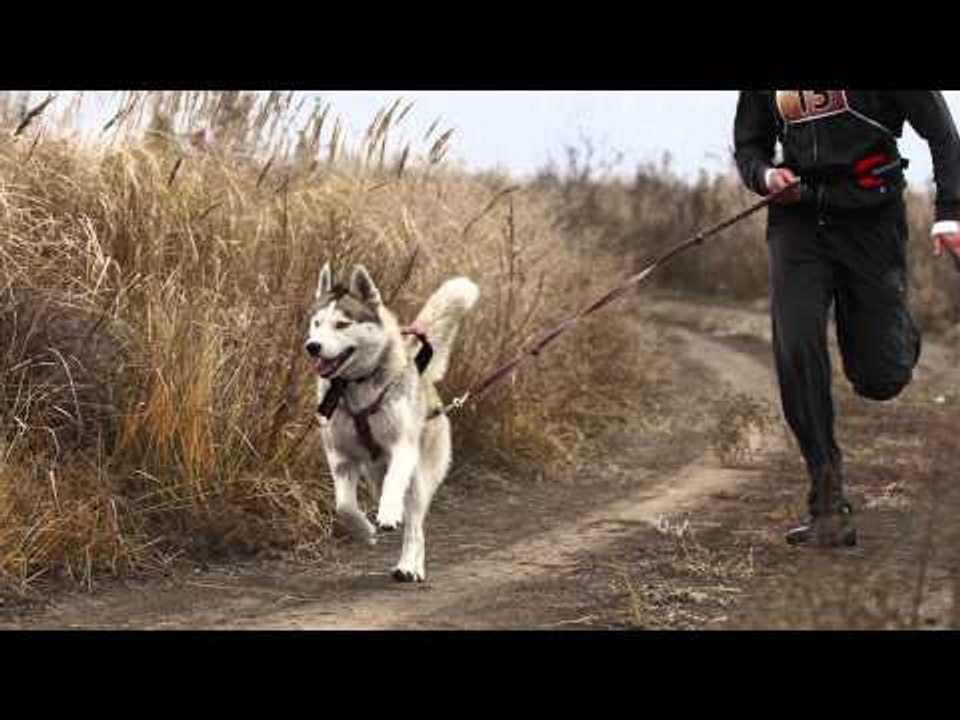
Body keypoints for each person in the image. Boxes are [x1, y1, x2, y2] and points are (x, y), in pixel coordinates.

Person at [733, 91, 960, 547]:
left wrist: (950, 215)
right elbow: (749, 144)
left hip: (871, 216)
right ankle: (827, 502)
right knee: (795, 343)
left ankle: (894, 329)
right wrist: (765, 175)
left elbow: (942, 133)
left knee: (881, 376)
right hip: (797, 221)